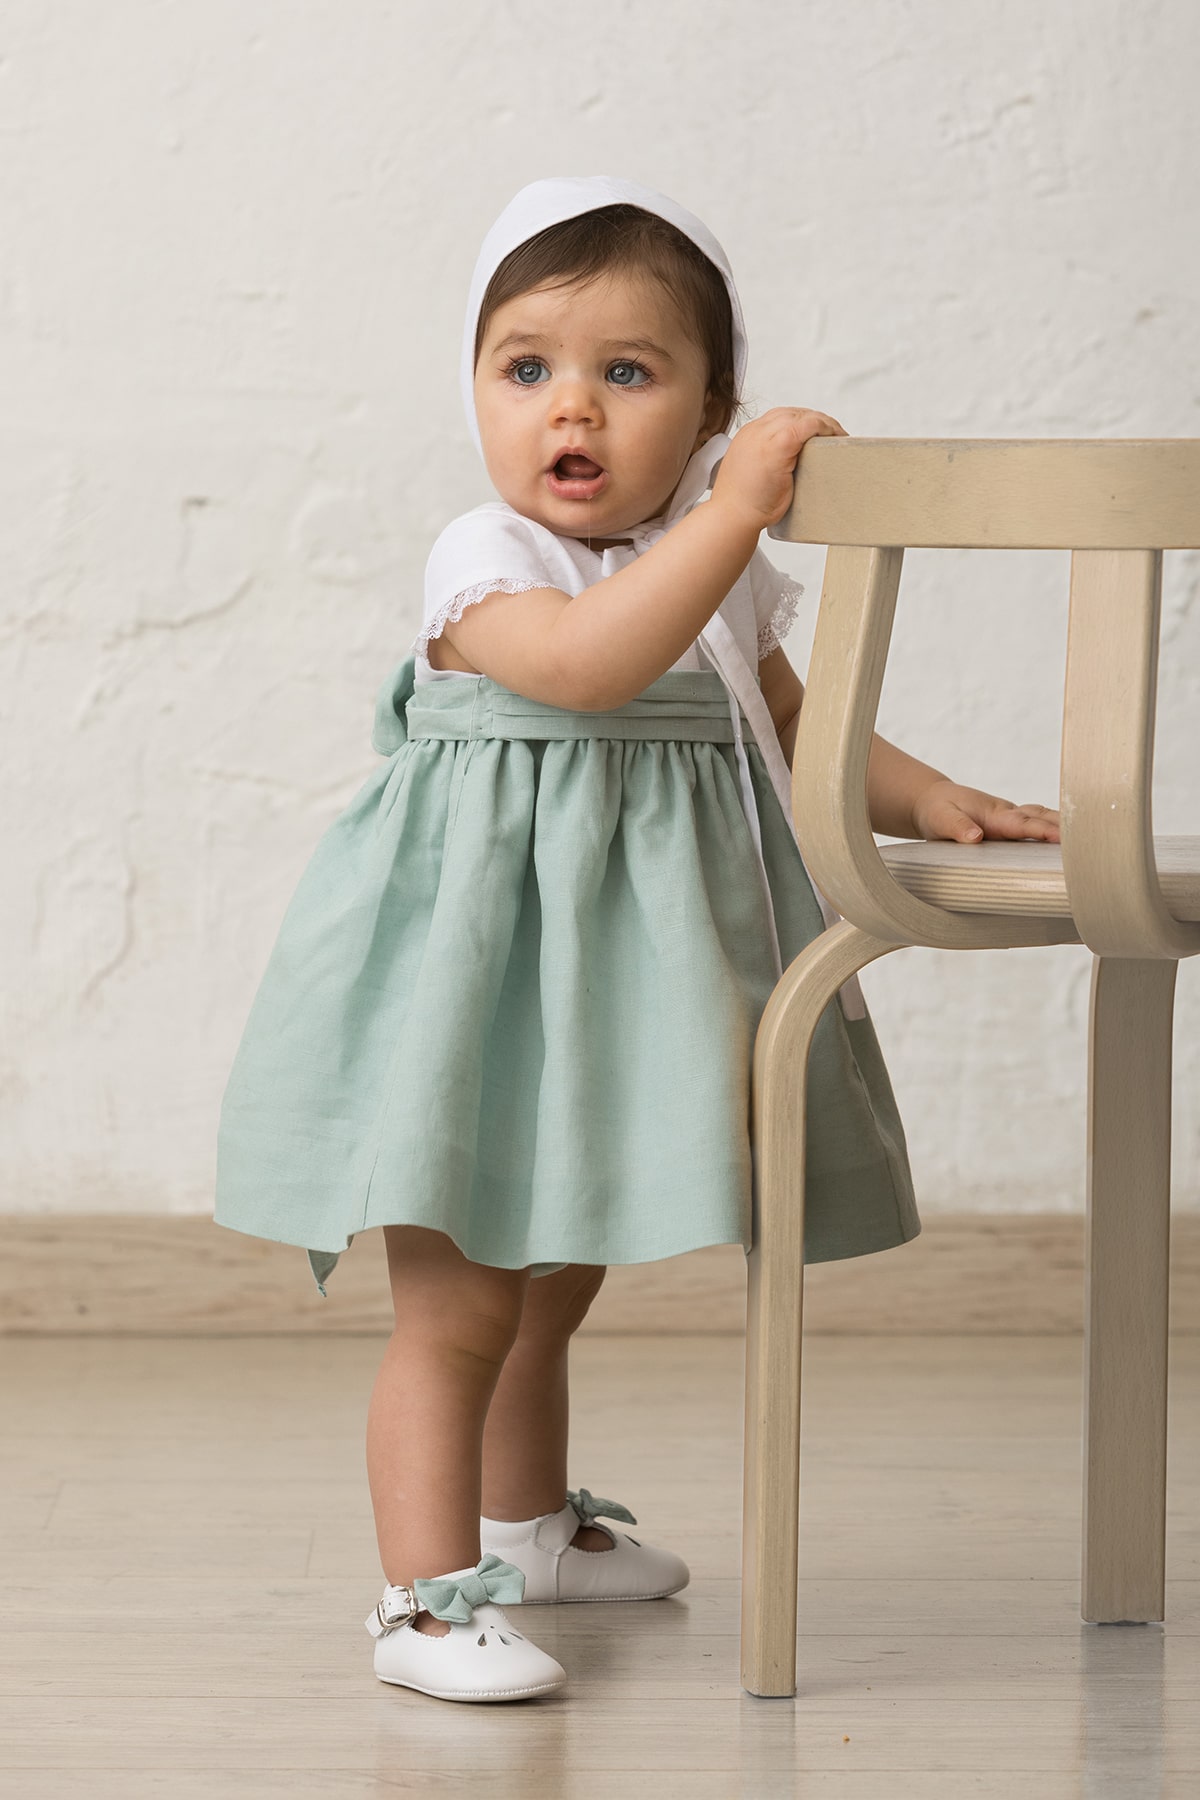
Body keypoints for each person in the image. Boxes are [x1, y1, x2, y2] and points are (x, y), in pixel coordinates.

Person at [214, 175, 1060, 1704]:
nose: (572, 409)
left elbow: (796, 728)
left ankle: (526, 1526)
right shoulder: (484, 559)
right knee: (462, 1295)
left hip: (603, 993)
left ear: (709, 407)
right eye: (525, 367)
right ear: (474, 392)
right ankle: (418, 1601)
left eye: (630, 371)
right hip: (474, 989)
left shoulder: (706, 569)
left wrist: (937, 795)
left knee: (558, 1272)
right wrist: (738, 513)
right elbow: (593, 672)